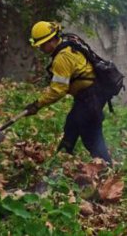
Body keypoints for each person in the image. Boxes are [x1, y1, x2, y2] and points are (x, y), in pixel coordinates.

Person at [22, 21, 112, 164]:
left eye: (42, 45)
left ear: (51, 40)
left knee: (91, 137)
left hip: (90, 97)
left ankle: (108, 169)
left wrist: (37, 105)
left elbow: (58, 91)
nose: (41, 48)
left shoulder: (62, 58)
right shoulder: (68, 42)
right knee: (71, 126)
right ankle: (60, 164)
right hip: (89, 95)